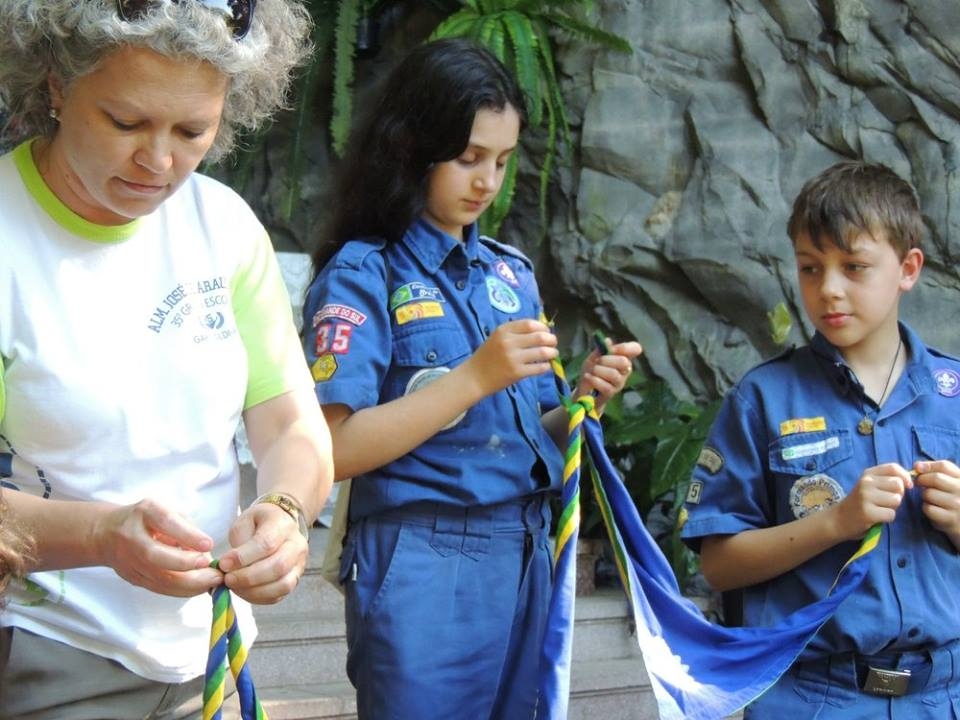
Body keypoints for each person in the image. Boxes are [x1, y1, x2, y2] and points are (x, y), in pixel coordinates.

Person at [0, 1, 334, 717]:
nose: (159, 162)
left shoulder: (224, 226)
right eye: (125, 123)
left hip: (215, 651)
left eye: (193, 131)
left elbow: (290, 426)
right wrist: (99, 536)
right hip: (54, 654)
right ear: (56, 84)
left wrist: (284, 510)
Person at [302, 37, 642, 720]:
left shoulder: (509, 273)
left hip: (522, 546)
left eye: (503, 161)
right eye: (468, 159)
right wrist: (472, 377)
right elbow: (329, 451)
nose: (487, 181)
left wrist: (581, 400)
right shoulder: (367, 273)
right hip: (423, 553)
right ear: (410, 148)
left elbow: (525, 433)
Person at [680, 161, 960, 718]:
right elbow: (718, 564)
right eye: (810, 268)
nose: (828, 289)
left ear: (908, 268)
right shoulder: (763, 399)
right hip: (812, 697)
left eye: (854, 267)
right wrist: (834, 523)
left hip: (943, 696)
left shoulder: (953, 396)